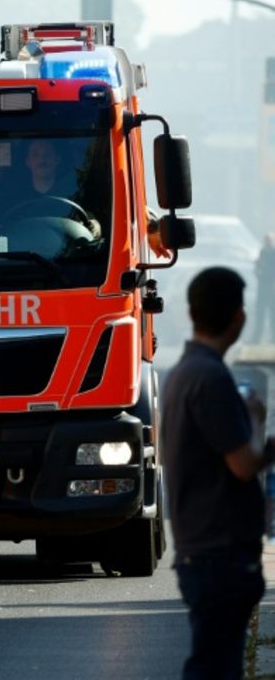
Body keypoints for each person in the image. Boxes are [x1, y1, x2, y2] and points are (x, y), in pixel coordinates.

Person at [161, 266, 275, 680]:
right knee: (215, 668)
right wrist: (260, 427)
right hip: (220, 554)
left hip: (200, 548)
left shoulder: (183, 372)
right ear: (238, 317)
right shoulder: (211, 378)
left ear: (191, 312)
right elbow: (243, 464)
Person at [257, 234, 275, 343]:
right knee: (260, 313)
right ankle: (256, 337)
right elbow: (259, 266)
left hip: (271, 287)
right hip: (262, 287)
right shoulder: (263, 252)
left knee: (272, 314)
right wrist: (258, 270)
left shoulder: (273, 253)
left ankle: (273, 337)